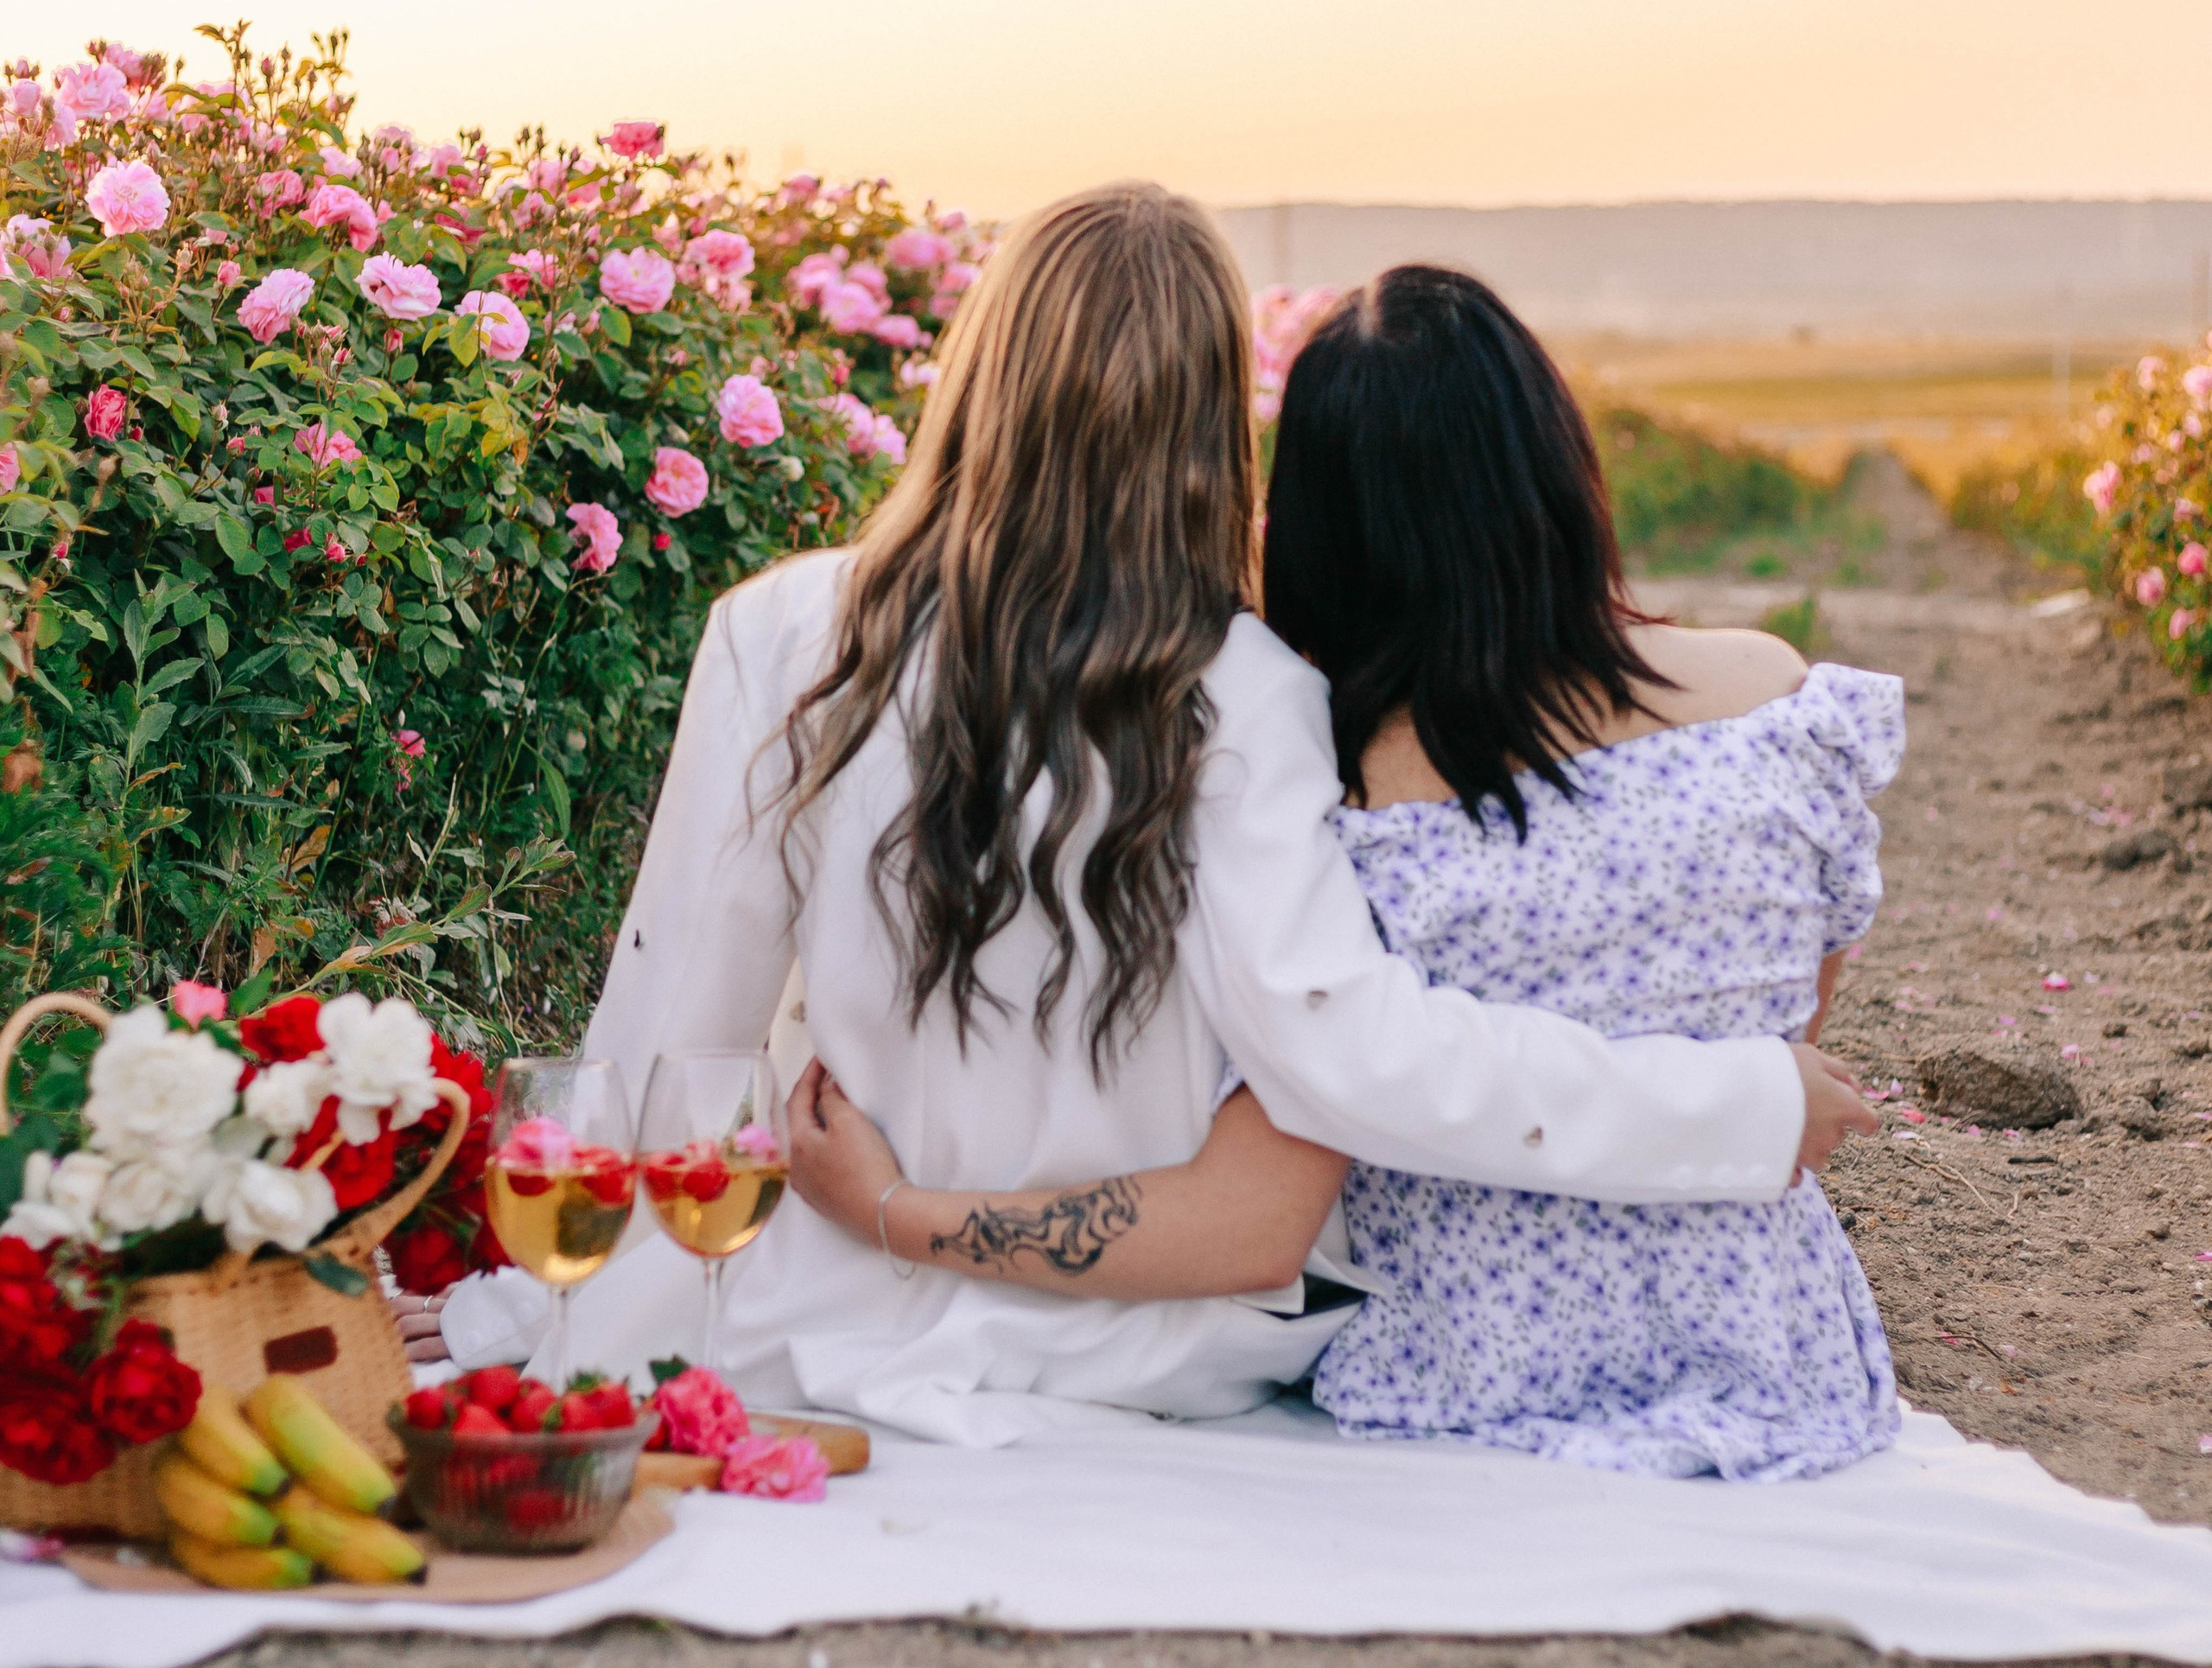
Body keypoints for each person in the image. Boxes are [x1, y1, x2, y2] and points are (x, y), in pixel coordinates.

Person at [503, 189, 1869, 1445]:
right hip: (1159, 1349)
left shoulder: (780, 635)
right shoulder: (1249, 693)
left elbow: (668, 1044)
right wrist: (1734, 1103)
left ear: (981, 373)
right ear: (1212, 424)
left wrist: (557, 1316)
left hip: (831, 1304)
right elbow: (1358, 1060)